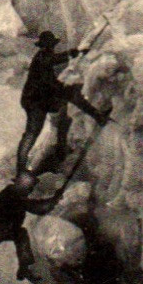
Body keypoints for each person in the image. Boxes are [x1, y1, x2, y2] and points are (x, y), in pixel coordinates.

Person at [15, 30, 110, 176]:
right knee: (33, 132)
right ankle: (21, 168)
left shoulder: (45, 57)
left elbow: (52, 71)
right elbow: (52, 64)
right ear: (44, 46)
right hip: (35, 101)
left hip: (41, 98)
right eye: (48, 45)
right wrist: (71, 54)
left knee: (65, 110)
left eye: (50, 45)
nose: (50, 47)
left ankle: (60, 150)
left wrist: (75, 53)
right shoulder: (42, 57)